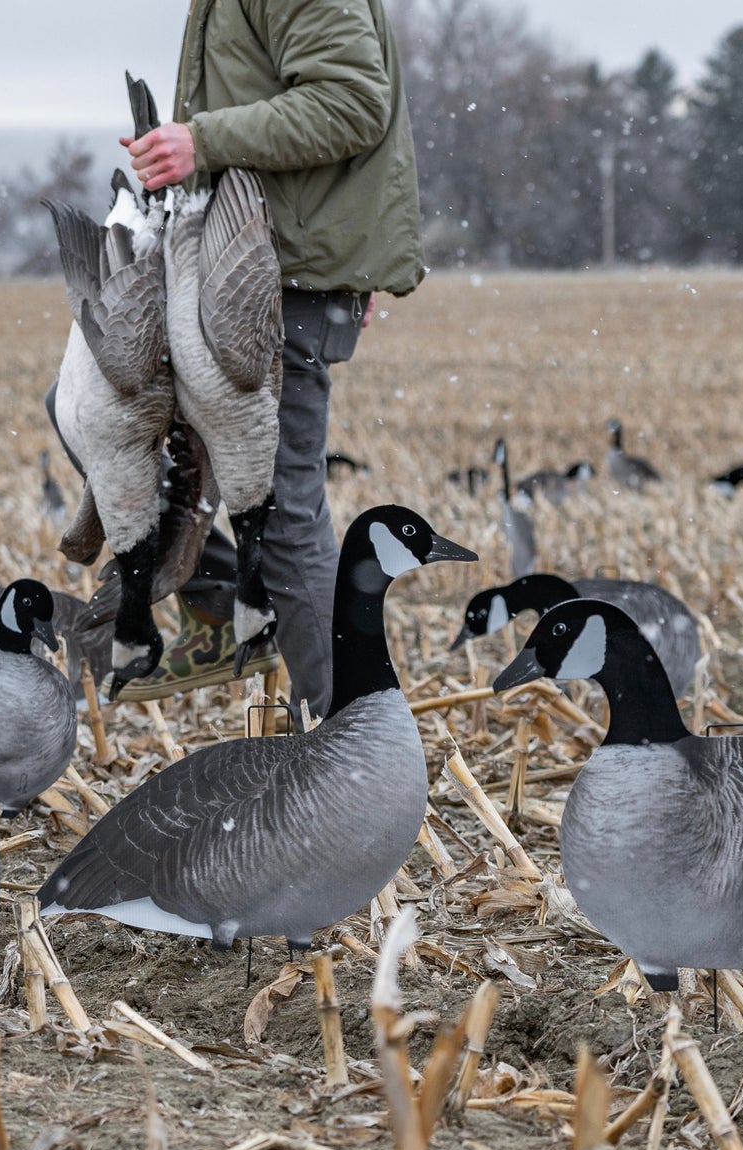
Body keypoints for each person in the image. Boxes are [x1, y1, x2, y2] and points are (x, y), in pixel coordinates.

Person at [117, 0, 423, 720]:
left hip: (277, 282)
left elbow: (351, 104)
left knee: (280, 510)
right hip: (241, 269)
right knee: (100, 424)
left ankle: (357, 737)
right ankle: (223, 603)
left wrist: (202, 142)